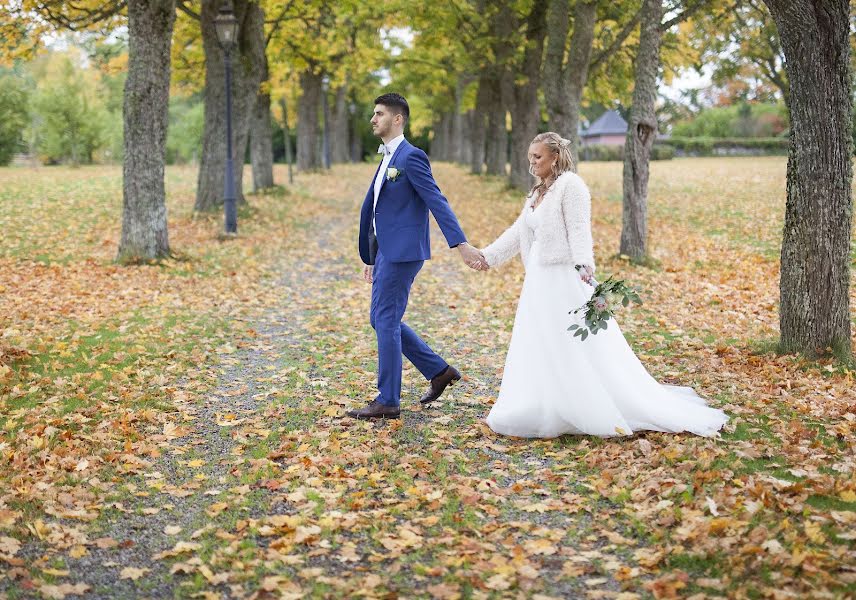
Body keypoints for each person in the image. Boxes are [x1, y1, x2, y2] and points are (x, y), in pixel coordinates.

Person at [478, 132, 728, 438]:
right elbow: (518, 233)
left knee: (573, 342)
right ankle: (545, 402)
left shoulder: (571, 186)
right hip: (539, 279)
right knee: (542, 340)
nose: (532, 162)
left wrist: (584, 265)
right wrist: (487, 257)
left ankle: (587, 403)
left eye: (538, 156)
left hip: (562, 276)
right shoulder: (536, 193)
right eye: (530, 156)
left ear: (555, 157)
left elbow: (580, 228)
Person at [348, 93, 487, 420]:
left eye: (379, 113)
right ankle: (438, 371)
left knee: (384, 319)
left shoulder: (411, 157)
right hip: (387, 252)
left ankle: (388, 400)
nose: (373, 119)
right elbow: (379, 210)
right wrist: (371, 255)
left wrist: (461, 244)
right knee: (382, 319)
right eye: (374, 113)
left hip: (404, 253)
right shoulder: (386, 158)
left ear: (397, 119)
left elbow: (437, 201)